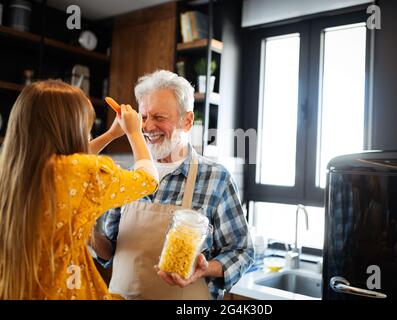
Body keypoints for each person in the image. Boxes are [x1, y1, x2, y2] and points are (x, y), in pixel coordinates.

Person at [92, 70, 254, 300]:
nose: (147, 127)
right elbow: (109, 251)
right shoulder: (129, 178)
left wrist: (207, 268)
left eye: (159, 117)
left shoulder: (216, 179)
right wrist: (87, 231)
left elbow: (242, 251)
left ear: (187, 121)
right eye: (144, 117)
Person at [0, 80, 158, 300]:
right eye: (87, 129)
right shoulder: (83, 172)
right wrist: (134, 132)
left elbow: (70, 162)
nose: (89, 137)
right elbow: (148, 180)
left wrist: (111, 135)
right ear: (70, 130)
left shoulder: (14, 169)